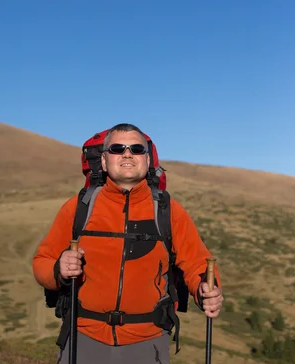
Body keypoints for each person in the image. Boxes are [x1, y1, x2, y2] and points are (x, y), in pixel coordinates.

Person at [33, 123, 223, 364]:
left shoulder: (168, 210)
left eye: (136, 149)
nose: (127, 154)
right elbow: (42, 261)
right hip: (83, 337)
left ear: (147, 160)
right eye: (117, 148)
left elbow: (197, 262)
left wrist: (207, 290)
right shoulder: (79, 207)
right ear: (103, 161)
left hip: (148, 341)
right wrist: (58, 269)